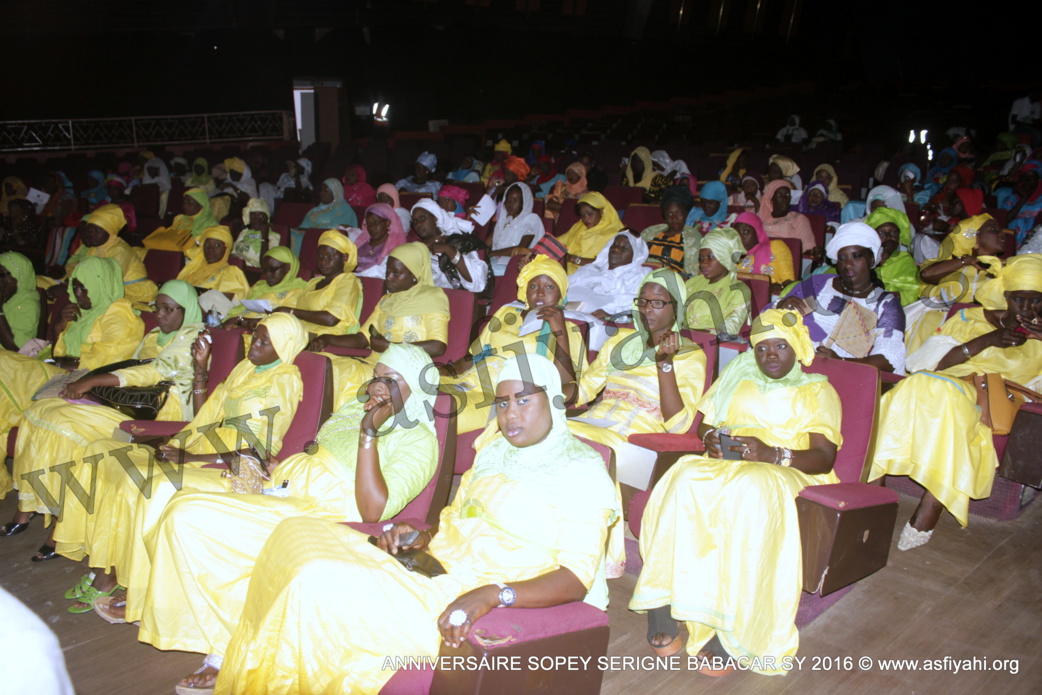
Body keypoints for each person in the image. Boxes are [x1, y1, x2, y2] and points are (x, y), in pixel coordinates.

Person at [212, 353, 618, 694]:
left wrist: (494, 595)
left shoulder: (581, 472)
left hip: (464, 587)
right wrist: (421, 535)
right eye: (503, 403)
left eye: (524, 401)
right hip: (429, 566)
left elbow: (575, 577)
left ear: (554, 403)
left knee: (316, 581)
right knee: (295, 535)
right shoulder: (494, 451)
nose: (510, 414)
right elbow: (459, 519)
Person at [125, 344, 442, 692]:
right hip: (289, 491)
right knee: (180, 504)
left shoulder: (418, 439)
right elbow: (320, 452)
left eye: (392, 380)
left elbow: (373, 511)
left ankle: (231, 645)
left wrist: (369, 432)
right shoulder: (356, 406)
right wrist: (283, 471)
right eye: (377, 377)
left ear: (416, 385)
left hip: (324, 512)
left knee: (187, 515)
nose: (378, 387)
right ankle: (230, 637)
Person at [631, 309, 842, 674]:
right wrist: (713, 440)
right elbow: (707, 428)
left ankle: (733, 627)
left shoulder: (818, 389)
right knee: (686, 476)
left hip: (785, 469)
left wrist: (772, 453)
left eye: (780, 346)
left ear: (796, 348)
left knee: (752, 486)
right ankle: (663, 600)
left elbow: (824, 457)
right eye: (761, 348)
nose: (770, 355)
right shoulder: (738, 376)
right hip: (730, 463)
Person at [75, 313, 310, 620]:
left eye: (267, 341)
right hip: (209, 446)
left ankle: (138, 586)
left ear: (284, 346)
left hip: (242, 467)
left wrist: (193, 459)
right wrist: (201, 370)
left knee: (154, 484)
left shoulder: (285, 379)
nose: (255, 344)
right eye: (257, 336)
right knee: (103, 453)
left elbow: (259, 447)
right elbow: (204, 418)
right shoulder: (246, 368)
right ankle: (108, 564)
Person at [6, 281, 204, 567]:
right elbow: (130, 365)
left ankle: (61, 530)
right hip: (133, 402)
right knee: (43, 410)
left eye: (168, 309)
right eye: (156, 308)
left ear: (186, 309)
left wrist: (91, 381)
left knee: (64, 426)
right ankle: (26, 510)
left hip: (160, 412)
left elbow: (152, 372)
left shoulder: (194, 335)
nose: (159, 315)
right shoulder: (159, 332)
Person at [870, 255, 1042, 550]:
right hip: (945, 385)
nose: (1027, 309)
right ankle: (886, 498)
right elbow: (928, 363)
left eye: (1036, 301)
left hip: (993, 402)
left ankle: (910, 501)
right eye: (1019, 300)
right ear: (1006, 296)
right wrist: (988, 340)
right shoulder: (971, 319)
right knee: (918, 384)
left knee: (930, 392)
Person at [0, 257, 145, 502]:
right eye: (74, 287)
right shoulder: (84, 314)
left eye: (83, 288)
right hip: (59, 372)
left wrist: (55, 362)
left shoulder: (122, 317)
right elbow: (60, 354)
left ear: (101, 285)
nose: (77, 294)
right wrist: (58, 329)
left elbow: (98, 365)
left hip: (82, 381)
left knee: (6, 366)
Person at [566, 269, 708, 497]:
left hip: (633, 441)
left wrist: (665, 364)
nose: (647, 309)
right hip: (591, 425)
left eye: (658, 302)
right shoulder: (620, 341)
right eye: (642, 301)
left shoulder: (690, 355)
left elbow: (678, 425)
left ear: (677, 308)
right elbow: (583, 392)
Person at [439, 256, 587, 434]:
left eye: (549, 287)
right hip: (469, 380)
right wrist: (448, 370)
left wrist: (560, 333)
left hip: (499, 398)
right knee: (408, 393)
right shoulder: (506, 313)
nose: (540, 293)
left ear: (561, 293)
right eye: (533, 286)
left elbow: (565, 385)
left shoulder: (569, 330)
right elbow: (476, 355)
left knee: (439, 415)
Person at [776, 222, 906, 373]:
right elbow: (771, 318)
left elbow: (889, 358)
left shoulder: (885, 304)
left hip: (844, 374)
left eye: (856, 257)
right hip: (791, 363)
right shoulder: (820, 284)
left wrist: (840, 362)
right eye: (842, 258)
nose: (848, 264)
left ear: (871, 260)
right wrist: (782, 306)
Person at [317, 243, 448, 368]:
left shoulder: (432, 298)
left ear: (414, 275)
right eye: (387, 271)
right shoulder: (386, 301)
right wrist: (327, 338)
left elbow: (437, 347)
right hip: (376, 364)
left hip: (407, 370)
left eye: (396, 273)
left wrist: (390, 346)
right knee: (324, 368)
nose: (388, 277)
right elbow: (362, 338)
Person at [907, 214, 1007, 350]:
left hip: (983, 326)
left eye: (1001, 231)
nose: (1002, 235)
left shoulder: (1007, 268)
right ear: (976, 238)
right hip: (942, 321)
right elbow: (926, 274)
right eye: (994, 230)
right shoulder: (954, 265)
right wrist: (967, 261)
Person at [57, 204, 158, 305]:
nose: (90, 234)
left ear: (110, 232)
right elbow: (81, 271)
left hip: (130, 292)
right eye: (89, 229)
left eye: (97, 230)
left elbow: (106, 281)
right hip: (94, 288)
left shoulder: (120, 251)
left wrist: (68, 288)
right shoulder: (93, 249)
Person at [283, 229, 363, 345]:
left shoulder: (347, 281)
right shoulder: (314, 282)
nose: (323, 261)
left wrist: (291, 311)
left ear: (344, 258)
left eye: (329, 256)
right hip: (299, 337)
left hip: (323, 342)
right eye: (320, 256)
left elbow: (331, 319)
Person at [406, 200, 488, 293]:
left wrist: (449, 251)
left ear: (435, 218)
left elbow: (479, 281)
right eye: (415, 221)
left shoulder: (459, 241)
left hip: (452, 298)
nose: (418, 224)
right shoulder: (416, 247)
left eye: (422, 217)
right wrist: (422, 246)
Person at [569, 231, 651, 319]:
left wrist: (609, 313)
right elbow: (564, 287)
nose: (616, 249)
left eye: (624, 247)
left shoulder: (640, 276)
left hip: (602, 321)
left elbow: (639, 305)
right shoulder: (590, 269)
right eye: (614, 244)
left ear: (635, 256)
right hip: (569, 309)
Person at [684, 227, 750, 337]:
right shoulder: (691, 283)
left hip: (711, 346)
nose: (703, 263)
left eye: (710, 257)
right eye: (701, 258)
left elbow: (729, 330)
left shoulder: (739, 290)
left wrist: (684, 333)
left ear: (725, 258)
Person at [224, 247, 309, 327]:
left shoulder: (298, 291)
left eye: (272, 270)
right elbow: (241, 309)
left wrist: (240, 321)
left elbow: (280, 321)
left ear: (288, 268)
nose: (267, 275)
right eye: (264, 270)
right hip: (238, 325)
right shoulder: (260, 286)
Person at [177, 226, 251, 304]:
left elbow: (220, 305)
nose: (211, 249)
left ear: (226, 249)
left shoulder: (230, 272)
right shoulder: (192, 268)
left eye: (217, 245)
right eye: (207, 245)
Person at [557, 191, 625, 273]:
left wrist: (573, 259)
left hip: (591, 275)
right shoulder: (579, 226)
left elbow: (605, 263)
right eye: (582, 215)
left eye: (590, 214)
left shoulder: (614, 233)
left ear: (601, 211)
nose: (585, 219)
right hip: (567, 268)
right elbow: (557, 242)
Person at [640, 186, 700, 276]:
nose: (674, 218)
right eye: (669, 214)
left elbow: (692, 273)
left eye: (679, 213)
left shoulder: (693, 238)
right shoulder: (650, 232)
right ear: (664, 216)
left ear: (686, 214)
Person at [866, 208, 919, 306]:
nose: (888, 236)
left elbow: (911, 294)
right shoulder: (863, 258)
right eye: (882, 232)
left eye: (893, 232)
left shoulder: (905, 260)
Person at [734, 211, 796, 296]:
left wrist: (778, 287)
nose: (741, 237)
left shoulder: (776, 246)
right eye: (737, 233)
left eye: (746, 232)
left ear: (757, 231)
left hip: (771, 299)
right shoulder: (733, 255)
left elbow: (789, 283)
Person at [488, 182, 545, 275]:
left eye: (515, 200)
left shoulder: (531, 219)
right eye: (508, 199)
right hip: (497, 259)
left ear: (523, 202)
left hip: (517, 263)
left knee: (484, 270)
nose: (510, 203)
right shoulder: (504, 221)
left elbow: (521, 248)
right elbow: (486, 244)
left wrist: (492, 253)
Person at [142, 188, 219, 253]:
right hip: (172, 251)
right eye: (184, 202)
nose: (185, 206)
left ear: (201, 205)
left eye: (190, 203)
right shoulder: (181, 219)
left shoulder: (211, 223)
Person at [760, 180, 818, 259]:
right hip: (763, 259)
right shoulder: (760, 220)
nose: (784, 198)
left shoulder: (798, 218)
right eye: (780, 195)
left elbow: (808, 247)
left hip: (788, 261)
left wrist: (814, 252)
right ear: (771, 199)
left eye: (787, 195)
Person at [0, 251, 41, 352]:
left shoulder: (28, 304)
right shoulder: (7, 298)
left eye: (1, 275)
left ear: (19, 275)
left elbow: (16, 347)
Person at [353, 203, 407, 274]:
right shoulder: (361, 242)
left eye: (376, 222)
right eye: (369, 224)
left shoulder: (395, 246)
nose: (372, 227)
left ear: (388, 223)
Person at [230, 198, 281, 267]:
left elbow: (265, 263)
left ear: (267, 217)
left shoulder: (274, 236)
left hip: (253, 271)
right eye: (253, 215)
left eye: (260, 215)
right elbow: (233, 252)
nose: (256, 219)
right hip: (235, 266)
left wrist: (264, 236)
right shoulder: (244, 232)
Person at [1001, 161, 1042, 244]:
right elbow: (1003, 221)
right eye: (1025, 178)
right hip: (1011, 240)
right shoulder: (1012, 199)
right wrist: (1023, 200)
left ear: (1038, 180)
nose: (1028, 181)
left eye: (1032, 178)